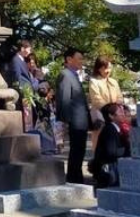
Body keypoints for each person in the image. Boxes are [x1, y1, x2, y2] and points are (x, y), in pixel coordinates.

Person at [56, 48, 92, 184]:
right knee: (76, 151)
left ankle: (76, 177)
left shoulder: (74, 75)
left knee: (80, 150)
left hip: (80, 119)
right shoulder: (65, 75)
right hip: (74, 120)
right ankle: (74, 179)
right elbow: (64, 99)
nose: (81, 61)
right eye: (79, 58)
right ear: (69, 59)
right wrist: (65, 121)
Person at [89, 102, 130, 188]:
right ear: (111, 116)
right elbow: (111, 152)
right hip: (108, 169)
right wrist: (128, 149)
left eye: (123, 112)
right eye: (120, 112)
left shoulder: (115, 128)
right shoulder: (109, 130)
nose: (123, 114)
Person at [88, 56, 123, 151]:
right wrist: (109, 110)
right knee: (100, 135)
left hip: (114, 113)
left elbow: (120, 97)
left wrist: (117, 107)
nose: (108, 70)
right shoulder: (94, 82)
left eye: (109, 68)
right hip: (100, 114)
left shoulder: (114, 82)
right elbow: (96, 99)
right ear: (99, 68)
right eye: (105, 68)